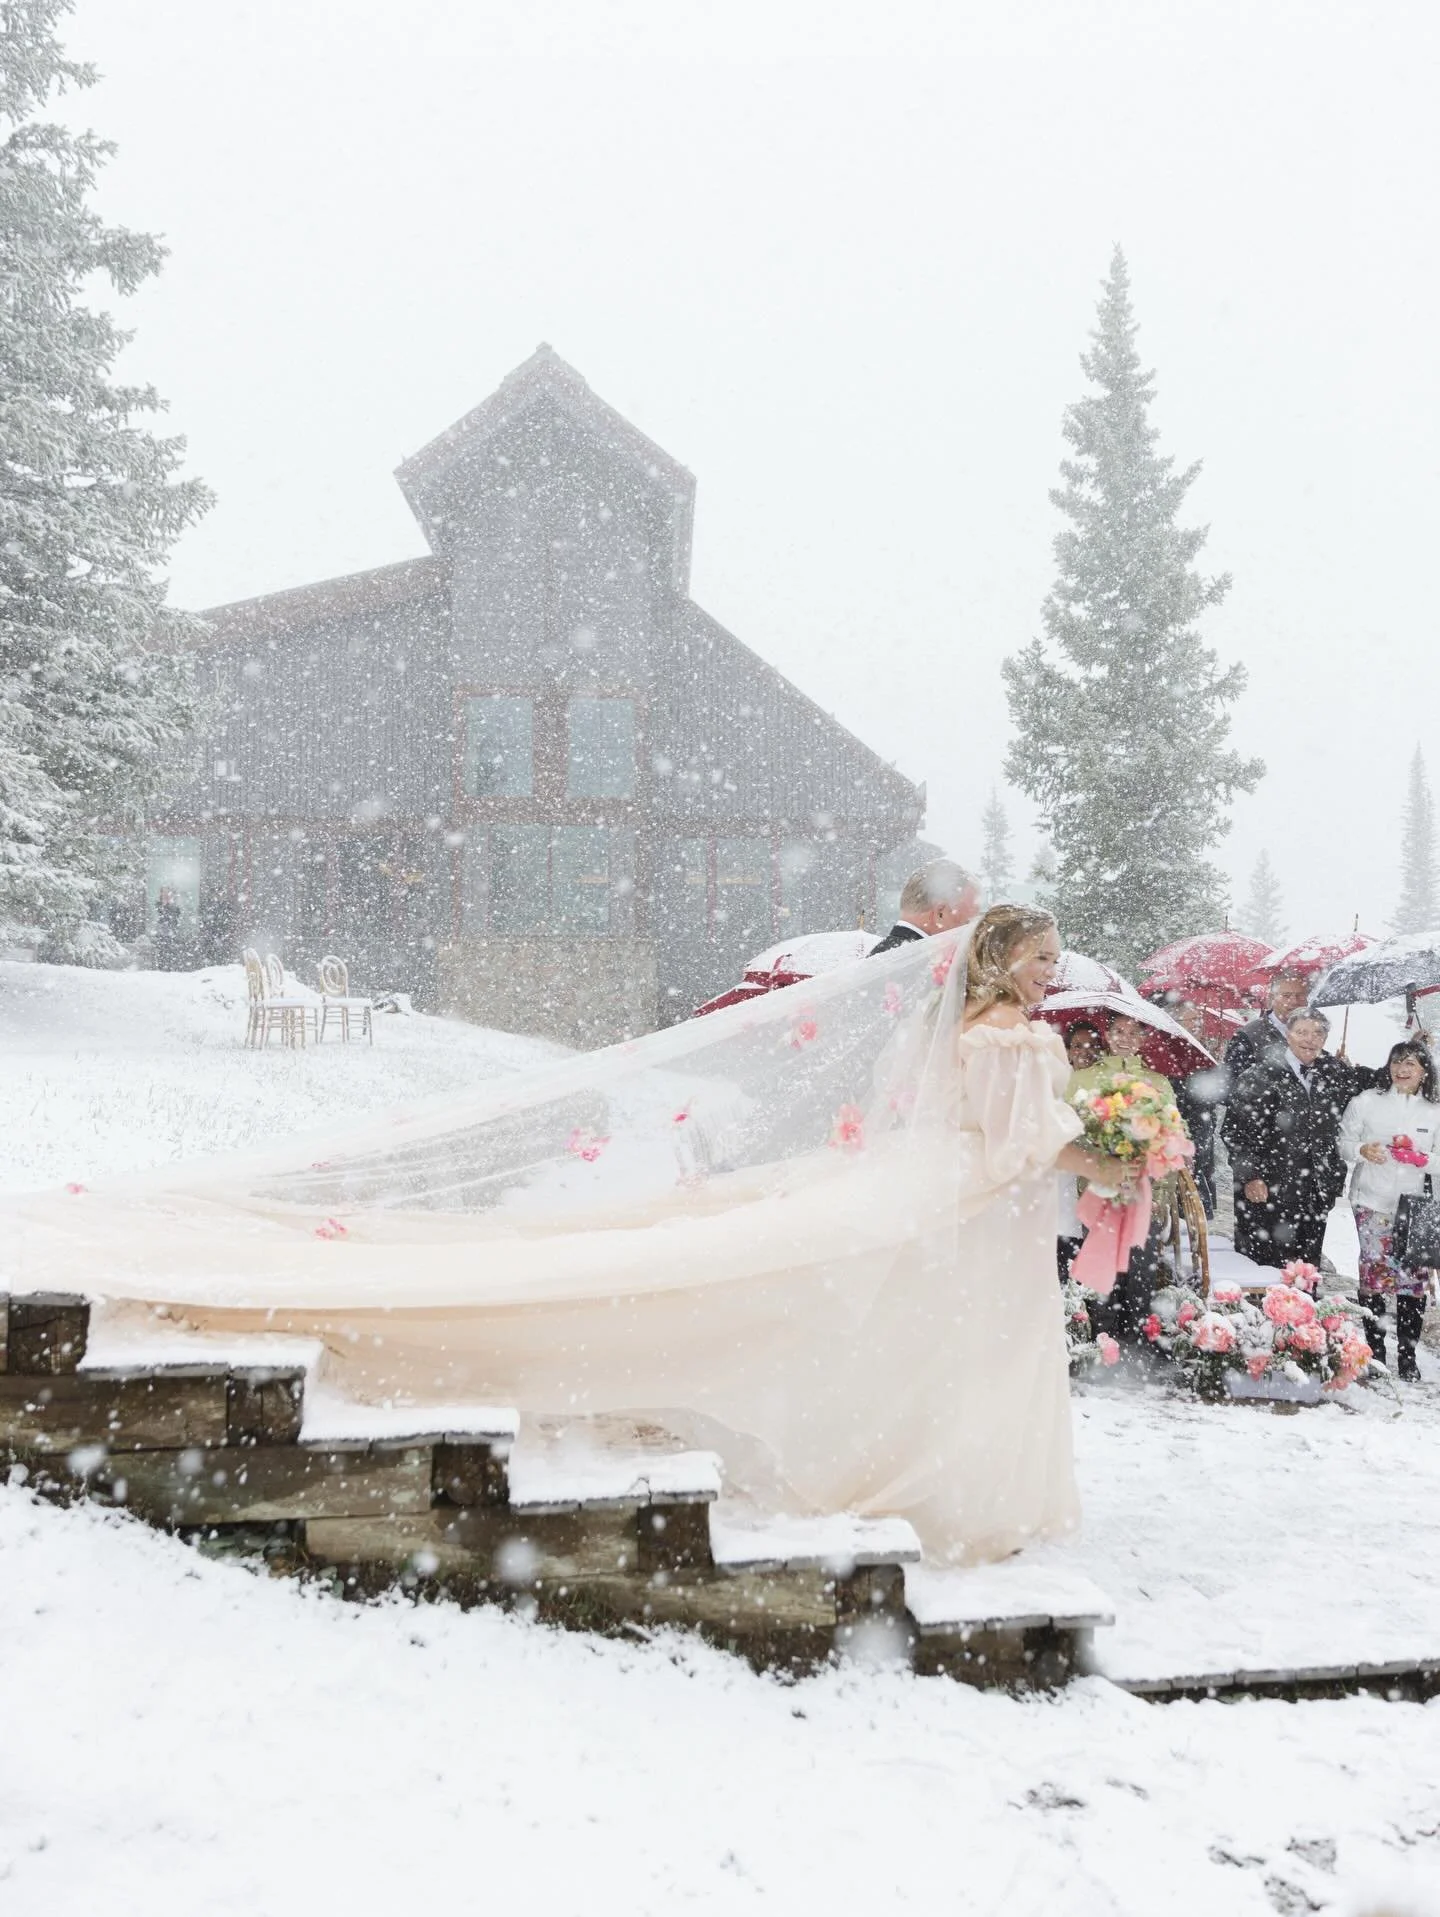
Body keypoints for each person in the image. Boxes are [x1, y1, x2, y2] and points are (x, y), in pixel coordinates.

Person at [3, 907, 1132, 1568]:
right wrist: (1120, 1155)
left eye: (1050, 959)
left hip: (943, 1204)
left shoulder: (980, 1038)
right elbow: (1012, 1154)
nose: (1048, 974)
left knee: (920, 1342)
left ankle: (936, 1480)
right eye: (1039, 958)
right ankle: (947, 1489)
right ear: (997, 964)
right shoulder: (1008, 1043)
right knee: (890, 1333)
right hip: (958, 1206)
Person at [1065, 1008, 1177, 1339]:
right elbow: (1068, 1132)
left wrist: (1161, 1193)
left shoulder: (1157, 1083)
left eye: (1133, 1033)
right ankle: (1101, 1334)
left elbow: (1171, 1140)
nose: (1126, 1039)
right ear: (1108, 1037)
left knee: (1142, 1263)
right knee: (1102, 1258)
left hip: (1145, 1186)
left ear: (1142, 1039)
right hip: (1100, 1182)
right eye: (1119, 1032)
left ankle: (1137, 1334)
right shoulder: (1083, 1079)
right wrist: (1102, 1146)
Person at [1221, 1006, 1356, 1268]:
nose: (1310, 1039)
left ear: (1325, 1039)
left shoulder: (1334, 1073)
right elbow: (1235, 1131)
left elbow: (1375, 1082)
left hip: (1315, 1189)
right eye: (1302, 1032)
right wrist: (1250, 1176)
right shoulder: (1260, 1074)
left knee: (1307, 1269)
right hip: (1269, 1187)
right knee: (1267, 1266)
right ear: (1288, 1035)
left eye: (1317, 1033)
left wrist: (1416, 1046)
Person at [1338, 1040, 1439, 1382]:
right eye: (1397, 1062)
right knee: (1373, 1281)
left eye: (1411, 1063)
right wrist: (1362, 1149)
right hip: (1371, 1202)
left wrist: (1421, 1159)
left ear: (1425, 1071)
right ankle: (1374, 1354)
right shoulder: (1366, 1101)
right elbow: (1343, 1144)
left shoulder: (1434, 1110)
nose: (1403, 1069)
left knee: (1412, 1286)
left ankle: (1407, 1357)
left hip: (1415, 1209)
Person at [1056, 1022, 1103, 1280]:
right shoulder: (1057, 1082)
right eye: (1078, 1046)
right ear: (1068, 1050)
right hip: (1062, 1179)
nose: (1085, 1052)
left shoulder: (1109, 1085)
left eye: (1092, 1046)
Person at [1171, 999, 1222, 1217]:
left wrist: (1218, 1069)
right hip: (1181, 1122)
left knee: (1201, 1171)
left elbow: (1217, 1094)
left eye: (1199, 1020)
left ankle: (1199, 1214)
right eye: (1191, 1020)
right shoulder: (1171, 1051)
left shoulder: (1206, 1051)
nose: (1197, 1025)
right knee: (1184, 1177)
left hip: (1204, 1123)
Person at [1223, 971, 1310, 1097]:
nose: (1294, 1001)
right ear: (1271, 999)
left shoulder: (1313, 1034)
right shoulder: (1248, 1035)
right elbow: (1230, 1087)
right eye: (1286, 995)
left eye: (1300, 995)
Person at [869, 858, 979, 956]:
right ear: (941, 912)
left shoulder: (879, 957)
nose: (969, 935)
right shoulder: (925, 967)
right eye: (966, 924)